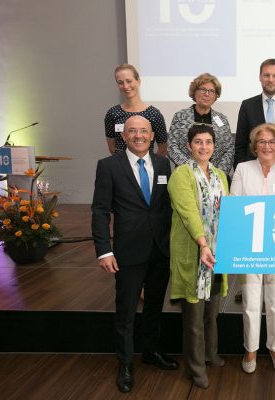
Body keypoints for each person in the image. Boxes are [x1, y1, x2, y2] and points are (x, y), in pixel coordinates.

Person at [91, 116, 179, 394]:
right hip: (128, 251)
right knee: (126, 311)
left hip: (160, 249)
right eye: (133, 131)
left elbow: (167, 207)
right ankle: (125, 364)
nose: (139, 135)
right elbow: (100, 210)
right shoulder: (108, 166)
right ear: (124, 136)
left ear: (152, 135)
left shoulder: (164, 164)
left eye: (143, 131)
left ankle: (151, 352)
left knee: (154, 306)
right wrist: (104, 250)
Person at [230, 123, 275, 374]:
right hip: (250, 245)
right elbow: (235, 205)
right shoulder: (242, 168)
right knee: (250, 300)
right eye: (262, 142)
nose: (267, 146)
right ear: (254, 146)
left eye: (271, 141)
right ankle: (250, 348)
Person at [167, 124, 229, 389]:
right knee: (194, 316)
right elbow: (189, 212)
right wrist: (203, 244)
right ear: (189, 146)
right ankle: (196, 368)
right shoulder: (181, 175)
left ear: (214, 146)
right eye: (198, 142)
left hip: (216, 255)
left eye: (208, 142)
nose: (204, 147)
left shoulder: (220, 175)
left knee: (211, 311)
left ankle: (210, 354)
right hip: (194, 254)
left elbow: (227, 212)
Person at [167, 73, 234, 176]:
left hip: (215, 178)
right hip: (187, 176)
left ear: (216, 96)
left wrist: (216, 174)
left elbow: (229, 150)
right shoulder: (180, 117)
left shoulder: (222, 120)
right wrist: (193, 169)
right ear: (194, 92)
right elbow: (172, 147)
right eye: (203, 89)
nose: (207, 94)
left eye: (211, 91)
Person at [104, 64, 167, 156]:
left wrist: (149, 165)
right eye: (120, 82)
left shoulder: (154, 114)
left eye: (129, 81)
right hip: (121, 167)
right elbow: (112, 148)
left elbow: (163, 148)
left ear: (138, 81)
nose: (125, 86)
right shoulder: (112, 113)